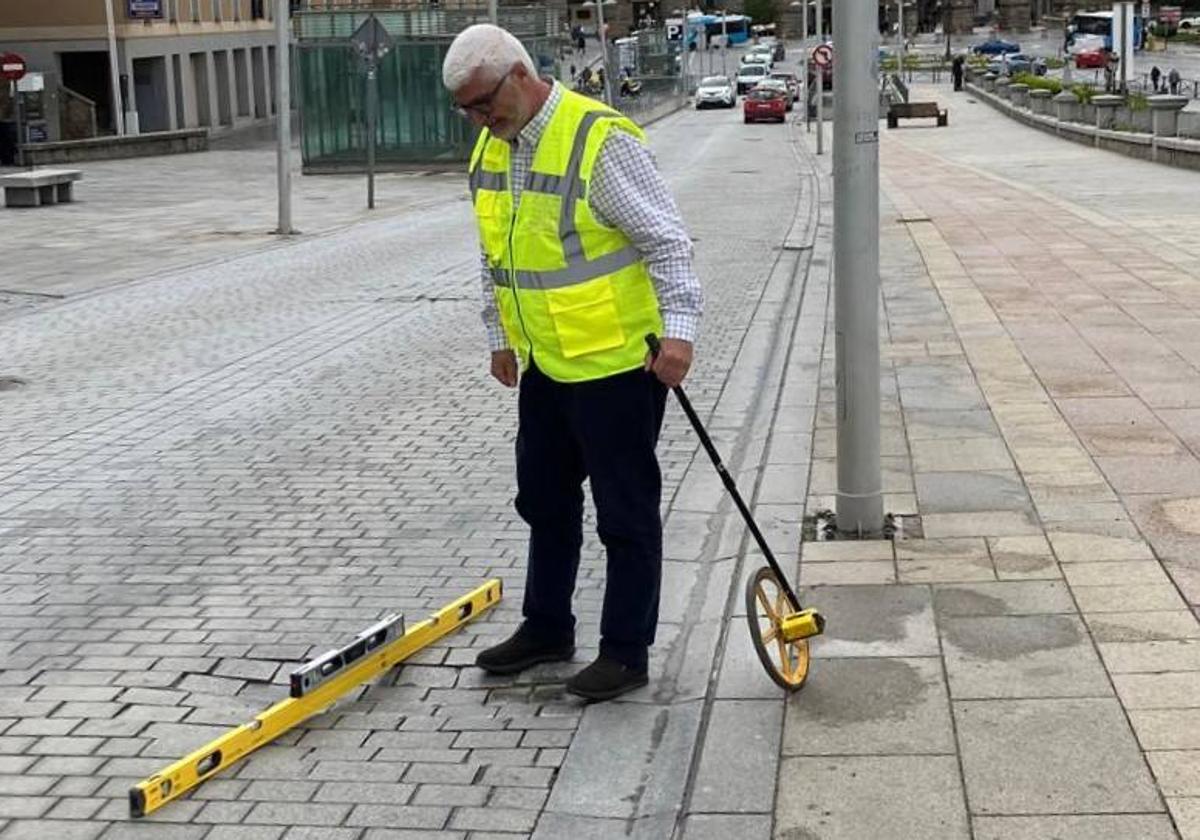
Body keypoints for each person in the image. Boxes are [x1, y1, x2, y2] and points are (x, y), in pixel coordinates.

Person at [442, 25, 703, 702]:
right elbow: (494, 254)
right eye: (466, 110)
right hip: (548, 367)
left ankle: (625, 651)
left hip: (619, 366)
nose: (479, 119)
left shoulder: (599, 139)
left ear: (521, 75)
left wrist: (679, 334)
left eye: (484, 103)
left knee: (625, 513)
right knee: (544, 500)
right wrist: (500, 332)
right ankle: (548, 627)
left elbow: (667, 242)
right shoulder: (492, 149)